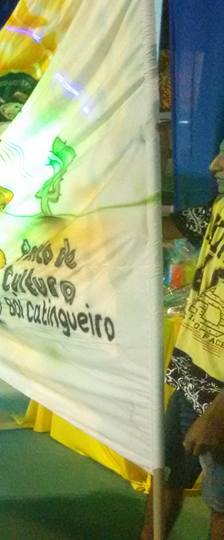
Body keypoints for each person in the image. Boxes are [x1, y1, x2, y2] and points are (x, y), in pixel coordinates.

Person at [141, 139, 224, 540]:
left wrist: (217, 413)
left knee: (221, 506)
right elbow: (156, 228)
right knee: (167, 475)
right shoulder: (217, 210)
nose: (214, 165)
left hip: (220, 398)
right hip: (192, 378)